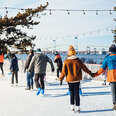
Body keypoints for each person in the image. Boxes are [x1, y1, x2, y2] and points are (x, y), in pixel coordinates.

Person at [59, 45, 93, 112]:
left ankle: (72, 107)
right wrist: (90, 73)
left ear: (68, 53)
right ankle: (78, 107)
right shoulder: (78, 61)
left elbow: (63, 72)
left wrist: (61, 78)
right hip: (77, 80)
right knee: (77, 94)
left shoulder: (66, 61)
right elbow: (84, 68)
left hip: (70, 80)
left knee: (71, 93)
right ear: (74, 53)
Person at [92, 44, 116, 110]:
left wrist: (95, 74)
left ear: (110, 51)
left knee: (114, 92)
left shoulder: (107, 58)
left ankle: (115, 104)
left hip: (112, 77)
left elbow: (102, 69)